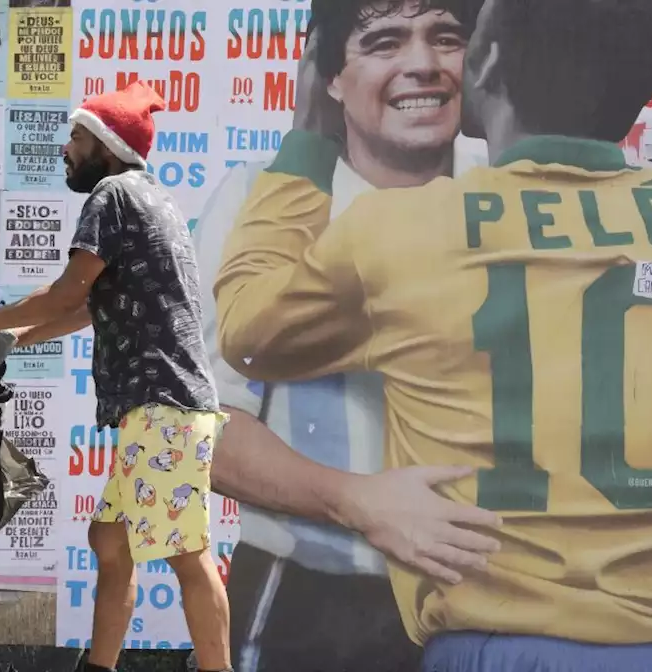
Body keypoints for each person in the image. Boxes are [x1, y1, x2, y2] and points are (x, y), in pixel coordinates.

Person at [213, 0, 652, 670]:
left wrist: (308, 143)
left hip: (491, 643)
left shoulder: (401, 229)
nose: (426, 63)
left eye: (451, 36)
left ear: (484, 62)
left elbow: (250, 331)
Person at [194, 2, 490, 670]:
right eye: (384, 42)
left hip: (499, 603)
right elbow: (198, 428)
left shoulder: (515, 193)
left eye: (446, 37)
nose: (423, 63)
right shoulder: (255, 199)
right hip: (312, 603)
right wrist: (359, 503)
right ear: (326, 76)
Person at [0, 81, 233, 672]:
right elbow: (85, 309)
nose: (65, 149)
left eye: (76, 136)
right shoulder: (149, 196)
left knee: (186, 554)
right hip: (162, 408)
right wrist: (14, 339)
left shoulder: (111, 195)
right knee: (110, 543)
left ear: (105, 145)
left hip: (161, 408)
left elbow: (66, 292)